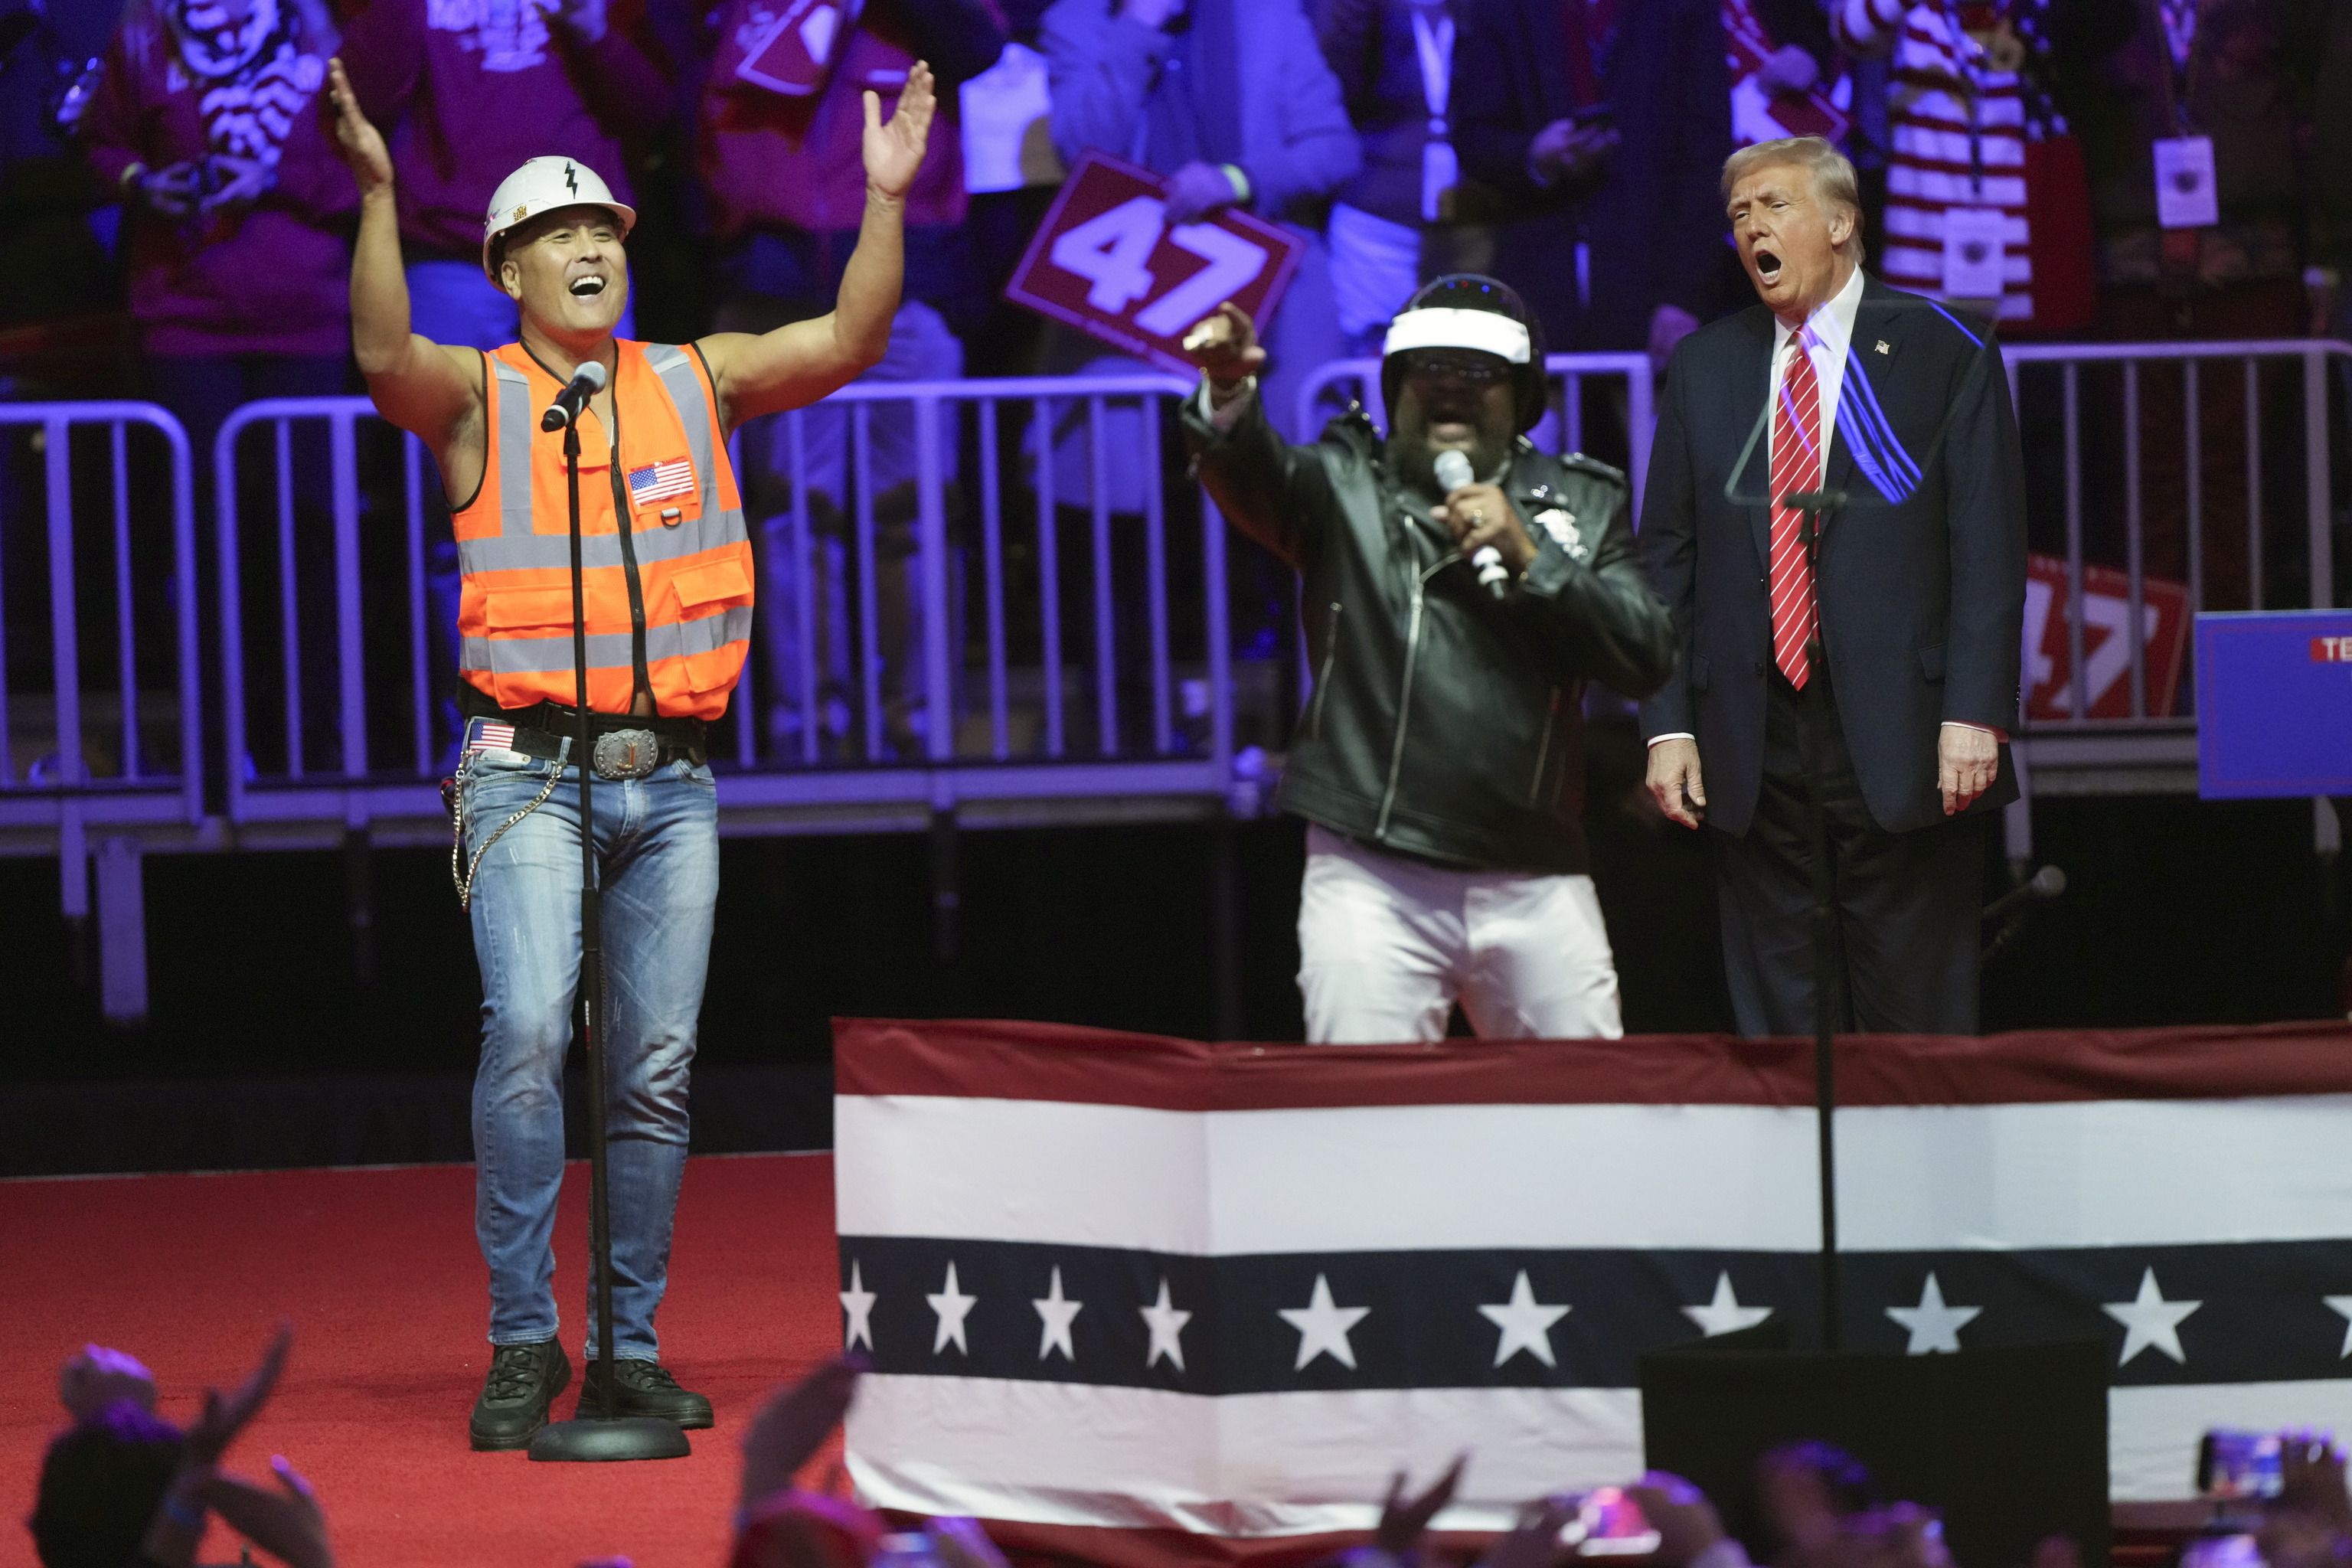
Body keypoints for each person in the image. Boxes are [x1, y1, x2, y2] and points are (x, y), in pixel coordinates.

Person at [321, 44, 936, 1447]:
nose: (589, 245)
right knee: (532, 1031)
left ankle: (632, 1351)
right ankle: (523, 1344)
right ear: (508, 272)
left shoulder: (696, 378)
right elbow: (372, 354)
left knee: (652, 1068)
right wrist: (373, 193)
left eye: (601, 226)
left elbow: (846, 340)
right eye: (556, 235)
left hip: (674, 782)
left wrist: (883, 199)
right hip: (524, 770)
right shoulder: (473, 398)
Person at [1184, 274, 1675, 1044]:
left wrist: (1531, 557)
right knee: (1369, 1119)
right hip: (1374, 877)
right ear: (1394, 388)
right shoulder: (1344, 485)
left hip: (1535, 871)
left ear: (1522, 395)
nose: (1450, 388)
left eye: (1478, 373)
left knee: (1588, 1122)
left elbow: (1645, 653)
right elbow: (1252, 472)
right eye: (1428, 371)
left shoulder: (1584, 503)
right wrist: (1227, 393)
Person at [1639, 134, 2027, 1039]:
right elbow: (1668, 555)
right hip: (1752, 738)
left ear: (1842, 221)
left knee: (1918, 1030)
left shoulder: (1946, 347)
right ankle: (1799, 1186)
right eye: (1738, 215)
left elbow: (1987, 545)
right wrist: (1669, 721)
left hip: (1908, 731)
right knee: (1780, 1032)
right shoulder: (1708, 363)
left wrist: (1976, 709)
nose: (1751, 228)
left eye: (1773, 205)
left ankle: (1924, 1184)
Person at [696, 0, 1005, 757]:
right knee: (799, 515)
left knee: (921, 510)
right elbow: (682, 84)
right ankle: (810, 730)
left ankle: (923, 727)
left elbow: (979, 44)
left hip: (911, 285)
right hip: (781, 286)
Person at [1040, 0, 1360, 435]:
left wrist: (1236, 181)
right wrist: (1138, 27)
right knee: (1136, 479)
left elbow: (1334, 149)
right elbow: (1081, 150)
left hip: (1264, 298)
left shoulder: (1268, 15)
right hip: (1132, 296)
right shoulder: (1078, 21)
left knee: (1276, 482)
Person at [1449, 0, 1730, 372]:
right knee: (1543, 423)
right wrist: (1534, 156)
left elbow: (1707, 154)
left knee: (1641, 426)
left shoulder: (1683, 9)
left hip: (1652, 279)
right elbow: (1474, 137)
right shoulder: (1502, 9)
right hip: (1539, 277)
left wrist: (1682, 296)